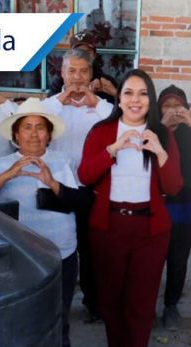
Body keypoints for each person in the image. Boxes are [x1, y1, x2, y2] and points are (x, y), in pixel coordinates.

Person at [78, 69, 182, 347]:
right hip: (109, 227)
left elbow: (175, 187)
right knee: (111, 301)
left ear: (150, 100)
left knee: (140, 303)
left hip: (149, 231)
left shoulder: (163, 133)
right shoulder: (102, 131)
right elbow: (84, 176)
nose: (135, 100)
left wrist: (161, 154)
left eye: (142, 94)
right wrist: (112, 149)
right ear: (118, 98)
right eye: (128, 93)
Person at [0, 98, 85, 347]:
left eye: (40, 128)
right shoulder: (3, 163)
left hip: (61, 250)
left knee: (59, 311)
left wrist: (52, 182)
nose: (34, 134)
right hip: (20, 253)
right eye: (27, 128)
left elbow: (82, 201)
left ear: (49, 133)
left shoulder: (63, 162)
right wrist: (7, 175)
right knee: (20, 311)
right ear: (16, 134)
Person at [42, 47, 116, 324]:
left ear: (91, 74)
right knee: (55, 246)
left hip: (90, 189)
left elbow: (116, 121)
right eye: (71, 71)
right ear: (61, 73)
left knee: (91, 248)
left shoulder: (102, 108)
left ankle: (93, 303)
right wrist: (62, 98)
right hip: (56, 186)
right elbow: (37, 117)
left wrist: (93, 101)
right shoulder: (51, 106)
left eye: (83, 71)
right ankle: (53, 301)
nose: (76, 77)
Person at [157, 85, 191, 331]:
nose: (172, 111)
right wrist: (163, 127)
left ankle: (171, 305)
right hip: (158, 204)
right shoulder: (154, 132)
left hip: (185, 205)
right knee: (153, 258)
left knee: (178, 259)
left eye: (177, 107)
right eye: (167, 106)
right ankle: (146, 306)